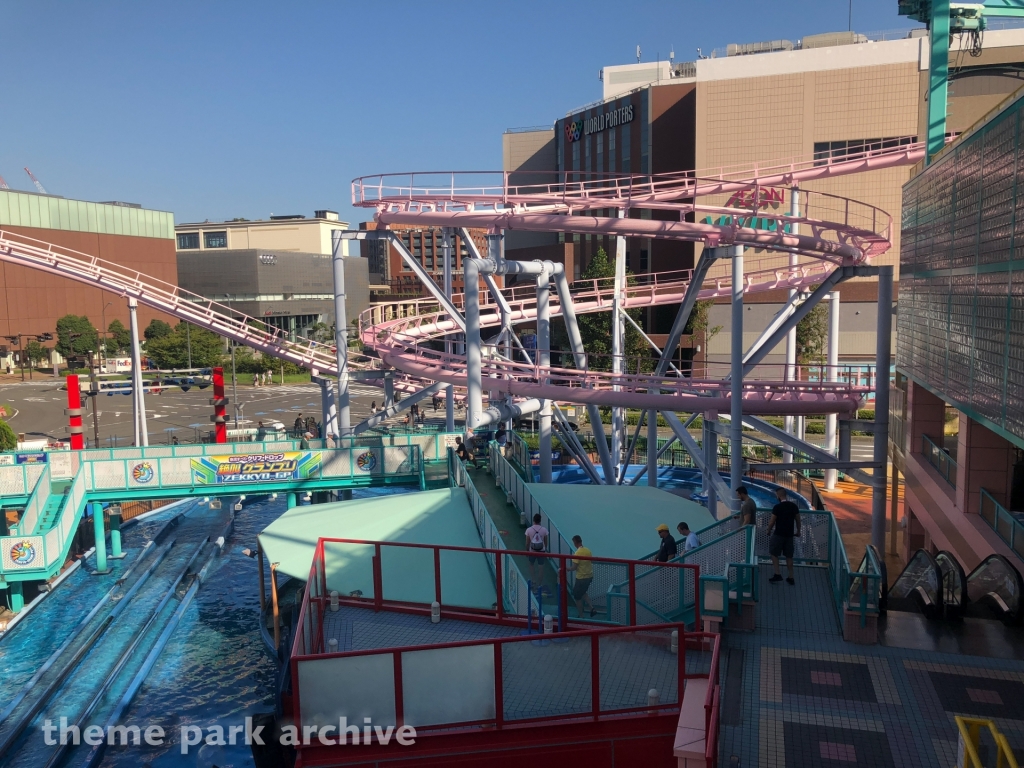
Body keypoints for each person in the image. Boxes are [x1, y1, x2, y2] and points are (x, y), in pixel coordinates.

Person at [768, 487, 801, 585]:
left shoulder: (777, 507)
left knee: (773, 553)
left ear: (778, 495)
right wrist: (798, 531)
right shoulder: (793, 506)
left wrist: (768, 530)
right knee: (789, 556)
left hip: (778, 534)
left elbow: (772, 521)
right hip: (789, 535)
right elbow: (798, 521)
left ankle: (777, 574)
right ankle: (791, 577)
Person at [567, 534, 596, 618]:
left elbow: (574, 567)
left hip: (581, 578)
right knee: (583, 592)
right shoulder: (588, 550)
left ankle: (581, 615)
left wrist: (567, 568)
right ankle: (592, 608)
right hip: (589, 576)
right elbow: (590, 562)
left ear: (575, 543)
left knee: (577, 596)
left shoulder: (577, 553)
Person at [525, 513, 549, 587]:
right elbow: (546, 542)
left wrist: (527, 551)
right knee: (541, 567)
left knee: (531, 564)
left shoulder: (529, 530)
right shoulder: (544, 530)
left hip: (532, 550)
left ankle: (533, 580)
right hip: (541, 551)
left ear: (533, 520)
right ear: (540, 521)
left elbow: (527, 542)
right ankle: (540, 584)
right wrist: (544, 549)